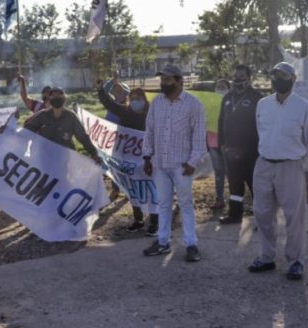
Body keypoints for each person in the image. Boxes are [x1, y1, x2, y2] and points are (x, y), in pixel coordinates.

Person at [248, 62, 308, 281]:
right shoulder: (263, 104)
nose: (278, 79)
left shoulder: (305, 107)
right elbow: (261, 132)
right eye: (275, 75)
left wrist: (306, 162)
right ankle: (267, 256)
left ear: (293, 79)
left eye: (283, 75)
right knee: (262, 213)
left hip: (291, 166)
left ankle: (296, 260)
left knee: (294, 216)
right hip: (264, 164)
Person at [140, 64, 207, 263]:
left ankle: (191, 244)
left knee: (186, 204)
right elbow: (149, 131)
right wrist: (147, 156)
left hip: (182, 165)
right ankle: (163, 242)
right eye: (162, 80)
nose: (163, 83)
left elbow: (199, 136)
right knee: (163, 204)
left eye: (168, 80)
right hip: (160, 164)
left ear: (180, 81)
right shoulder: (157, 103)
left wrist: (193, 162)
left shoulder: (193, 104)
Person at [95, 75, 157, 236]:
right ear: (129, 100)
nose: (136, 101)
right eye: (133, 98)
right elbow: (109, 103)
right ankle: (138, 220)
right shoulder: (126, 111)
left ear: (144, 99)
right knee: (133, 190)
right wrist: (101, 90)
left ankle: (155, 221)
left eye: (139, 98)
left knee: (151, 189)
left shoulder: (152, 112)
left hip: (148, 159)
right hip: (130, 159)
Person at [218, 65, 263, 225]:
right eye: (235, 76)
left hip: (252, 152)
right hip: (231, 151)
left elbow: (262, 124)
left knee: (255, 186)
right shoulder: (227, 98)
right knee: (235, 187)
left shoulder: (257, 98)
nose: (238, 80)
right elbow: (221, 120)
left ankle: (262, 219)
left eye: (241, 77)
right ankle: (235, 215)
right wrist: (221, 143)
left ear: (249, 78)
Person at [24, 87, 102, 162]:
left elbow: (83, 138)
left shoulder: (71, 117)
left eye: (59, 95)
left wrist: (94, 153)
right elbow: (28, 129)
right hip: (45, 158)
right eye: (53, 96)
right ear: (50, 99)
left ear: (64, 98)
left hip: (66, 159)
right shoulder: (42, 115)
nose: (56, 97)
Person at [208, 79, 230, 210]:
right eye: (218, 86)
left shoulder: (231, 103)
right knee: (218, 172)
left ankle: (235, 199)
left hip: (227, 143)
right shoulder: (209, 103)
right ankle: (220, 198)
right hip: (213, 142)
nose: (220, 88)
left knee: (231, 173)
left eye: (223, 87)